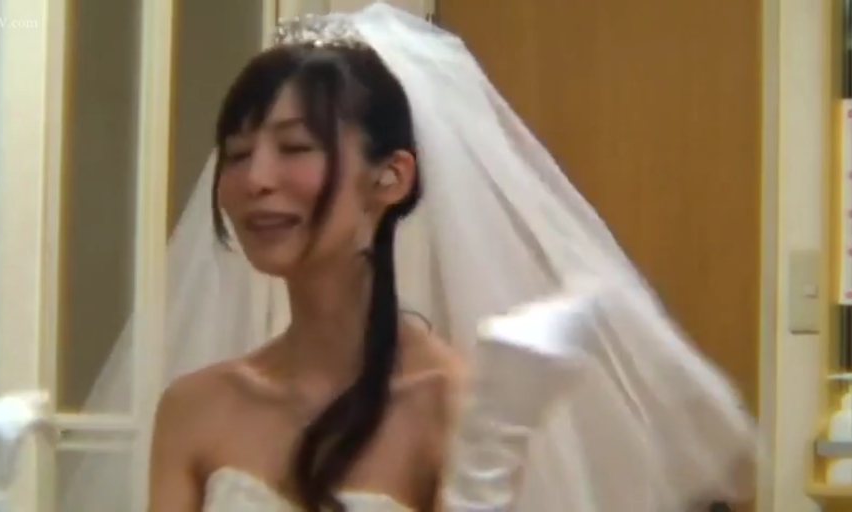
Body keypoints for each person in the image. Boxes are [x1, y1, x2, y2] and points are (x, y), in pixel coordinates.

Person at [62, 4, 756, 512]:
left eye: (294, 147)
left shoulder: (455, 406)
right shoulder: (195, 407)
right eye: (237, 154)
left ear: (390, 177)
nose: (255, 180)